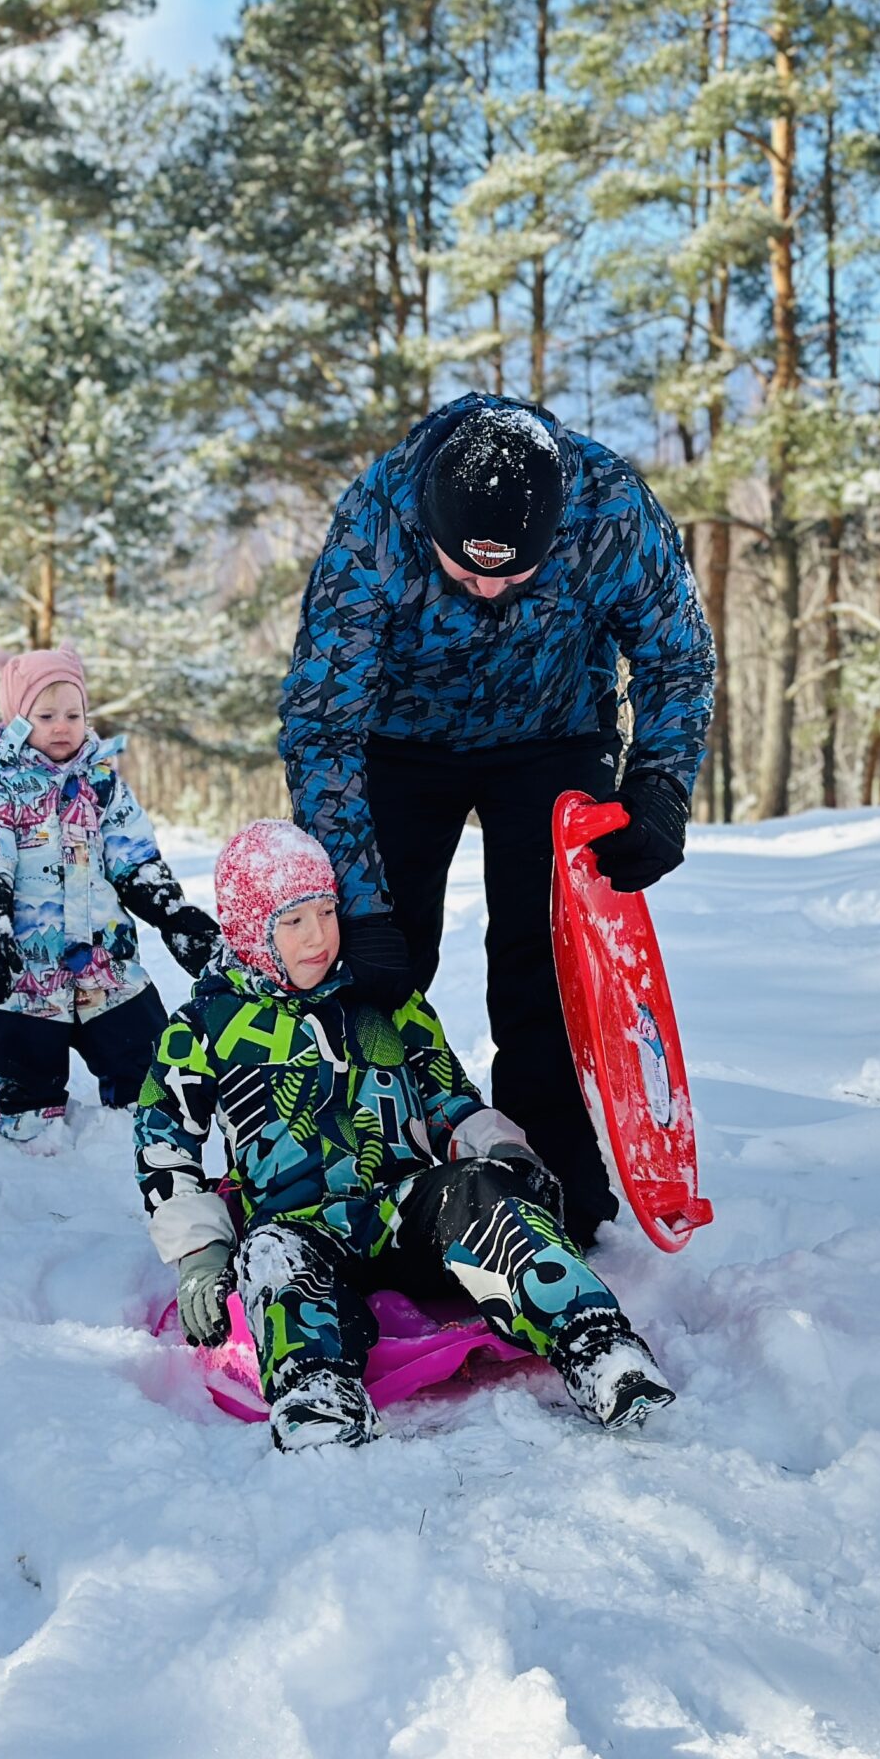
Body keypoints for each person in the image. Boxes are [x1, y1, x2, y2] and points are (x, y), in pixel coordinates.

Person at [280, 393, 715, 1244]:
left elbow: (677, 651)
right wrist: (361, 905)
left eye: (511, 573)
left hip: (552, 737)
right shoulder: (375, 522)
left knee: (544, 963)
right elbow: (322, 722)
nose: (487, 589)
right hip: (396, 742)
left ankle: (552, 1173)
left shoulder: (611, 508)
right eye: (466, 570)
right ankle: (361, 1158)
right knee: (379, 958)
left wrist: (661, 782)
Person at [135, 818, 673, 1451]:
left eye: (327, 912)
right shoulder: (206, 1026)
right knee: (271, 1253)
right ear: (252, 933)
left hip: (402, 1209)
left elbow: (451, 1098)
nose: (319, 937)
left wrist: (500, 1151)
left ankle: (598, 1346)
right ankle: (316, 1391)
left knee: (480, 1192)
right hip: (301, 1224)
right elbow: (163, 1138)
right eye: (293, 922)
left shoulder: (383, 1002)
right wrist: (199, 1250)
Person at [0, 644, 219, 1145]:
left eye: (73, 714)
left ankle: (145, 1139)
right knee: (26, 1083)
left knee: (146, 1070)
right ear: (16, 719)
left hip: (106, 962)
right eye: (46, 714)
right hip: (27, 969)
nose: (62, 726)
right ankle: (29, 1142)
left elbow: (135, 861)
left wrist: (175, 915)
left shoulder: (104, 786)